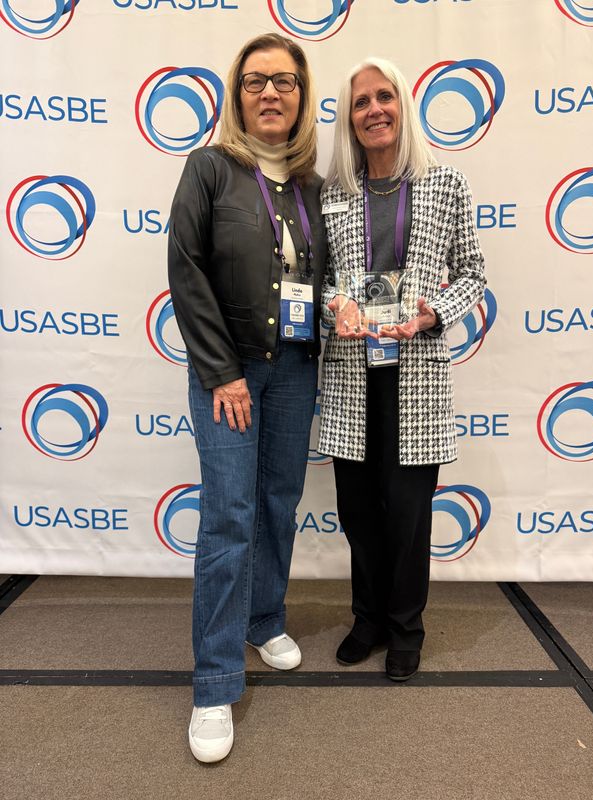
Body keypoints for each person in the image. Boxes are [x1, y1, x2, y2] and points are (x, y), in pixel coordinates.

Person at [168, 33, 326, 763]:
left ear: (301, 96)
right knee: (229, 516)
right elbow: (186, 270)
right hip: (229, 372)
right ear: (237, 93)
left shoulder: (313, 187)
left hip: (293, 370)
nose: (271, 92)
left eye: (285, 82)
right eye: (257, 80)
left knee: (275, 504)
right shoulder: (209, 168)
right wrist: (221, 371)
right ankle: (214, 682)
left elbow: (322, 283)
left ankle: (264, 622)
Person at [318, 57, 485, 682]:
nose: (373, 110)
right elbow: (320, 278)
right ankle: (368, 620)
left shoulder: (445, 184)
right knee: (359, 509)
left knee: (410, 515)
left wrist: (430, 314)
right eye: (360, 102)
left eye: (384, 97)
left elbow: (473, 273)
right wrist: (338, 304)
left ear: (403, 105)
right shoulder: (333, 192)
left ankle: (407, 626)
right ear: (350, 118)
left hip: (415, 372)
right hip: (350, 373)